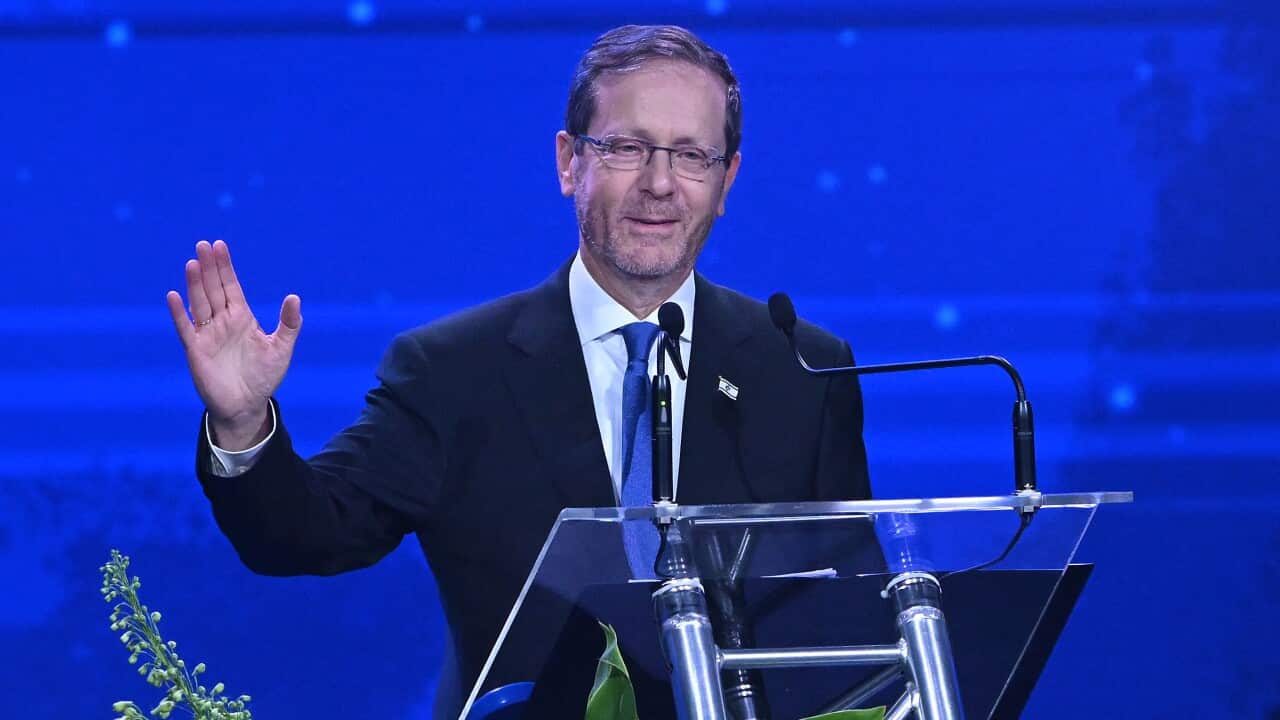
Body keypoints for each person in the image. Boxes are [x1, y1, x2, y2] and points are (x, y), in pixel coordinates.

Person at [167, 24, 871, 718]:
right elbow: (307, 533)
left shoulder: (800, 368)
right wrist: (243, 421)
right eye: (627, 148)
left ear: (726, 180)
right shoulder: (452, 372)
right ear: (569, 162)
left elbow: (858, 616)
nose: (661, 184)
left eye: (691, 155)